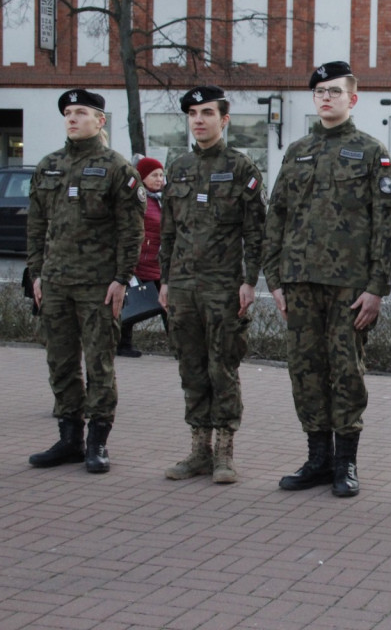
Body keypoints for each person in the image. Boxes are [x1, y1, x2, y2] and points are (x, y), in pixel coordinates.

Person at [265, 61, 391, 498]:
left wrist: (377, 286)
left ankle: (346, 464)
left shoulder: (370, 151)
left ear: (352, 98)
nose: (326, 98)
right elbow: (278, 215)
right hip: (300, 282)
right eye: (320, 91)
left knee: (346, 372)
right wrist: (275, 279)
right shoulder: (297, 150)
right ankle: (317, 458)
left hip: (348, 285)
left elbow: (386, 224)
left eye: (335, 92)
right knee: (305, 371)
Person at [27, 89, 145, 473]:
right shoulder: (48, 165)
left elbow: (132, 231)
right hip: (57, 283)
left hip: (98, 285)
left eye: (81, 112)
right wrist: (37, 273)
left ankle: (97, 442)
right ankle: (68, 438)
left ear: (100, 120)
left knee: (99, 364)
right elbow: (36, 226)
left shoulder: (116, 168)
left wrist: (121, 278)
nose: (73, 118)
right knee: (60, 362)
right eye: (68, 113)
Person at [160, 86, 266, 484]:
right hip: (184, 286)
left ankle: (224, 451)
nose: (199, 119)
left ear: (224, 120)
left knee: (223, 366)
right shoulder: (179, 166)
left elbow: (256, 232)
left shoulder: (242, 168)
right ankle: (198, 449)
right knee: (191, 367)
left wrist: (249, 280)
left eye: (207, 112)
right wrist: (166, 279)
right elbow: (169, 231)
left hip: (224, 287)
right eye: (193, 113)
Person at [118, 156, 166, 357]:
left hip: (157, 262)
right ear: (142, 177)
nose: (159, 179)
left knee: (167, 304)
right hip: (138, 263)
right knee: (130, 303)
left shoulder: (162, 199)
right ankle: (122, 344)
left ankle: (184, 350)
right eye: (154, 175)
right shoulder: (136, 199)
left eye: (162, 175)